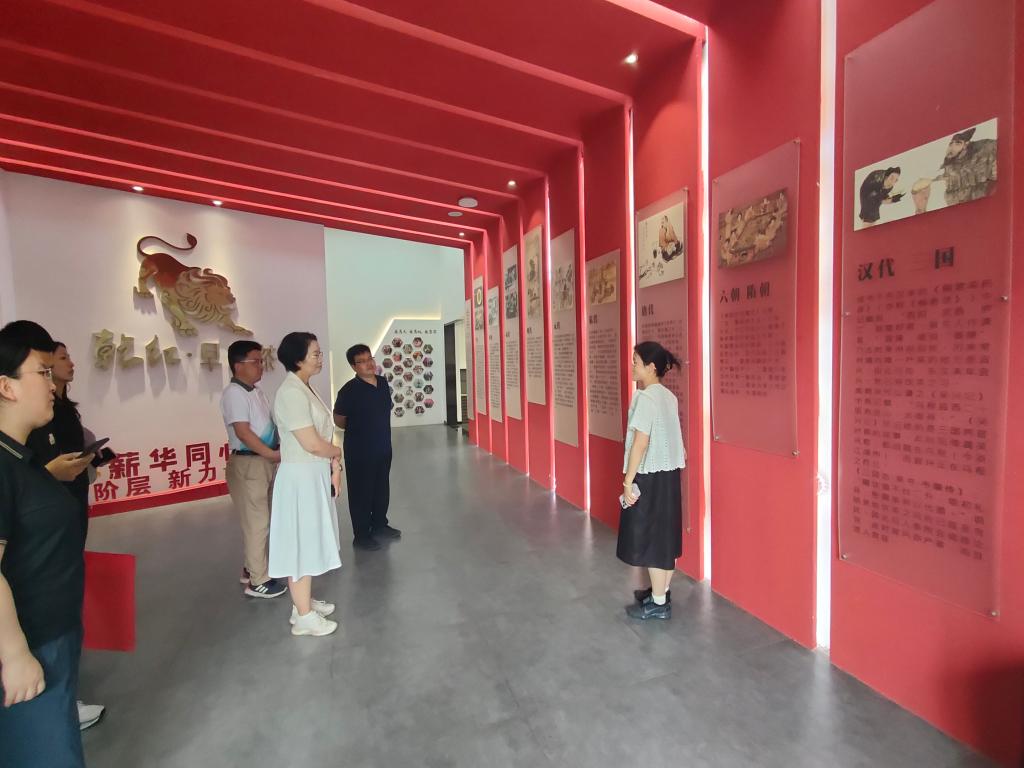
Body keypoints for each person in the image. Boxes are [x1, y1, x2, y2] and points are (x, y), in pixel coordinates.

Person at [0, 326, 87, 766]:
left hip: (54, 632)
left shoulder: (21, 458)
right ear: (7, 387)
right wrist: (14, 654)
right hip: (32, 642)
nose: (53, 385)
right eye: (42, 372)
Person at [268, 333, 341, 637]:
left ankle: (303, 602)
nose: (320, 358)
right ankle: (303, 617)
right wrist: (337, 453)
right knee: (300, 543)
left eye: (320, 353)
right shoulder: (291, 393)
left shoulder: (304, 387)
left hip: (312, 474)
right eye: (315, 354)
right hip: (301, 477)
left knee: (309, 539)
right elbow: (312, 443)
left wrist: (334, 463)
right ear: (298, 359)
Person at [618, 341, 686, 621]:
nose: (632, 366)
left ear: (651, 367)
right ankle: (661, 592)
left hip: (650, 476)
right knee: (665, 536)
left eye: (636, 362)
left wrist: (628, 481)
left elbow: (640, 443)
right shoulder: (669, 397)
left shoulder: (646, 398)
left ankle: (659, 604)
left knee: (652, 538)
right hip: (669, 475)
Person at [221, 340, 286, 599]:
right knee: (257, 523)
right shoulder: (234, 393)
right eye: (256, 362)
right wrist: (271, 454)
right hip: (250, 463)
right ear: (238, 365)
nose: (261, 366)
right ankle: (258, 581)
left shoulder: (255, 391)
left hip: (263, 463)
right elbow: (243, 432)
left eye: (261, 361)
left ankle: (251, 569)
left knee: (261, 520)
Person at [333, 344, 400, 551]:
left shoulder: (382, 383)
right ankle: (361, 535)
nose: (368, 364)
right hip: (359, 452)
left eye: (370, 358)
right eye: (361, 361)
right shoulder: (349, 390)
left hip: (383, 448)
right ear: (354, 367)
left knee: (381, 489)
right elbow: (339, 420)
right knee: (361, 493)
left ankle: (379, 524)